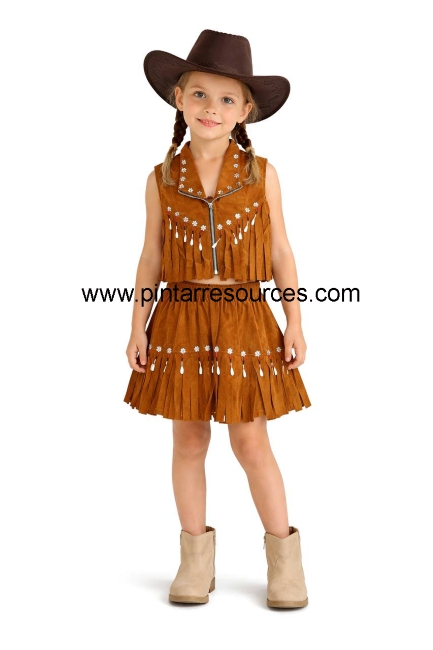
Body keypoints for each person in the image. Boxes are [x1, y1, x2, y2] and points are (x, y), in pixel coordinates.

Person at [124, 29, 311, 608]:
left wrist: (295, 320)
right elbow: (151, 257)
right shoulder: (161, 179)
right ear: (179, 98)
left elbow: (280, 251)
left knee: (251, 441)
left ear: (245, 111)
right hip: (178, 320)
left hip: (246, 318)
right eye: (200, 94)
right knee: (188, 439)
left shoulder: (262, 174)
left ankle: (286, 565)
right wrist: (136, 325)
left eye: (227, 99)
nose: (212, 108)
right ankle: (194, 563)